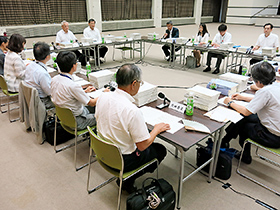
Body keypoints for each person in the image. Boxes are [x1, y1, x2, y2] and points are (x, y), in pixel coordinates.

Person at [95, 64, 170, 193]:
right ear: (134, 84)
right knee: (160, 149)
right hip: (122, 160)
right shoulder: (132, 110)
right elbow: (142, 146)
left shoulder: (103, 96)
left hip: (103, 153)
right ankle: (127, 180)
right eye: (140, 83)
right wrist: (156, 130)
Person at [221, 62, 280, 164]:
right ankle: (225, 140)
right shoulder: (276, 86)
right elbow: (265, 100)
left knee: (243, 123)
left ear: (257, 81)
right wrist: (242, 97)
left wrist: (229, 102)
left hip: (272, 138)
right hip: (276, 131)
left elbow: (246, 111)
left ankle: (244, 155)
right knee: (246, 118)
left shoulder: (265, 92)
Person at [51, 51, 100, 130]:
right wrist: (104, 93)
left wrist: (83, 92)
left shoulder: (54, 79)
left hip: (63, 118)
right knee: (103, 115)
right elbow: (92, 103)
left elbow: (67, 95)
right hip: (77, 121)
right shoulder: (73, 86)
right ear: (74, 66)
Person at [24, 42, 54, 109]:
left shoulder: (29, 66)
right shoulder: (42, 73)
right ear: (48, 57)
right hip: (42, 101)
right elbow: (50, 92)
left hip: (30, 98)